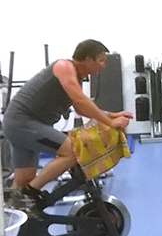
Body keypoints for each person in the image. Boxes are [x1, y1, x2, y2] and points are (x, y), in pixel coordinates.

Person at [3, 39, 132, 212]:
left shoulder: (76, 77)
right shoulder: (64, 66)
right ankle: (29, 193)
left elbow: (80, 107)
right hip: (23, 123)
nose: (103, 65)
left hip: (20, 125)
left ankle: (16, 219)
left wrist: (112, 115)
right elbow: (80, 100)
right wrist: (110, 122)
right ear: (88, 59)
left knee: (23, 180)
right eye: (101, 60)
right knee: (73, 151)